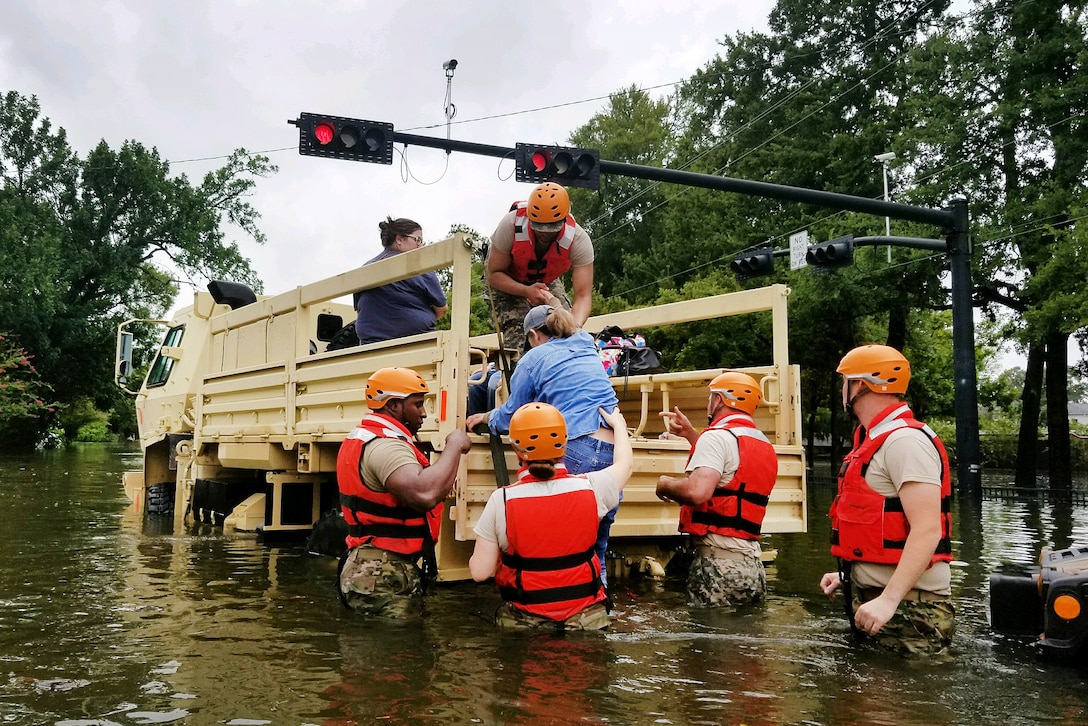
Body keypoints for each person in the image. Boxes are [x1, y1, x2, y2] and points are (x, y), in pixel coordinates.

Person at [465, 305, 622, 585]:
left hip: (575, 443)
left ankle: (549, 606)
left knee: (557, 540)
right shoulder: (586, 343)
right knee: (595, 546)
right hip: (613, 446)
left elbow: (515, 414)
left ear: (534, 335)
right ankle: (596, 606)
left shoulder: (533, 358)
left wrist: (486, 418)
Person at [818, 344, 955, 655]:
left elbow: (927, 529)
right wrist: (850, 573)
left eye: (845, 381)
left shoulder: (905, 442)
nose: (842, 389)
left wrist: (889, 599)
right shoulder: (877, 438)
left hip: (910, 611)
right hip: (883, 602)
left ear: (861, 384)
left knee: (894, 703)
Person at [469, 402, 632, 630]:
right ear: (564, 445)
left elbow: (480, 573)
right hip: (586, 621)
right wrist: (618, 425)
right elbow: (626, 464)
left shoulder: (501, 500)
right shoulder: (592, 488)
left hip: (527, 625)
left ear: (517, 449)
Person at [336, 366, 472, 618]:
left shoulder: (369, 437)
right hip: (380, 571)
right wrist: (454, 445)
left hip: (373, 565)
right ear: (394, 406)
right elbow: (425, 494)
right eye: (417, 405)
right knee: (394, 652)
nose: (423, 413)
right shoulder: (386, 446)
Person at [655, 371, 778, 606]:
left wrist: (665, 484)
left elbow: (697, 492)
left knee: (709, 640)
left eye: (710, 397)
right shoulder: (763, 443)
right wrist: (692, 435)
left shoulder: (717, 437)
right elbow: (730, 472)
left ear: (719, 400)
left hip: (718, 566)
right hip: (752, 566)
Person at [485, 182, 594, 350]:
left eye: (551, 228)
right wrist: (526, 291)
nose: (544, 233)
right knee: (521, 334)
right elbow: (493, 274)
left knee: (562, 326)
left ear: (563, 220)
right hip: (505, 279)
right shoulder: (510, 225)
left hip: (545, 280)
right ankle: (520, 369)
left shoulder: (579, 240)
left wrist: (574, 328)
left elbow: (583, 296)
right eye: (538, 227)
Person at [355, 217, 448, 345]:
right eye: (417, 240)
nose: (420, 246)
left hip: (370, 346)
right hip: (417, 344)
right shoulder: (419, 267)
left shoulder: (363, 270)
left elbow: (360, 308)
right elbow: (442, 309)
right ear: (399, 239)